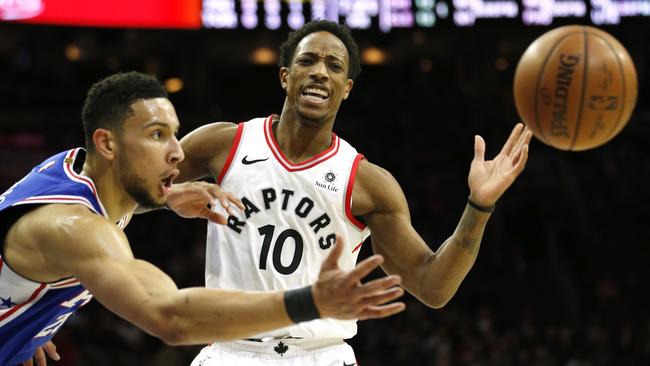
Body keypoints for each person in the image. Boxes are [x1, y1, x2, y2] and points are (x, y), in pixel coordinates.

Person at [175, 20, 532, 365]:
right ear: (286, 76)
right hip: (231, 351)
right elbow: (132, 194)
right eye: (307, 60)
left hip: (321, 353)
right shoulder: (223, 144)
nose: (319, 72)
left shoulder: (366, 183)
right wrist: (164, 198)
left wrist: (479, 205)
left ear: (346, 88)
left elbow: (432, 286)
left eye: (334, 65)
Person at [0, 72, 407, 366]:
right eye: (158, 135)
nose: (178, 152)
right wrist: (312, 301)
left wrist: (26, 321)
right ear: (107, 143)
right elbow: (171, 318)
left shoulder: (71, 167)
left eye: (175, 134)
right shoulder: (76, 228)